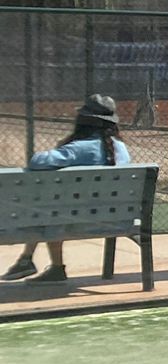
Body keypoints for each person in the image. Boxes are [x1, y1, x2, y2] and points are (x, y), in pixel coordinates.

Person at [4, 94, 133, 287]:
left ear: (83, 120)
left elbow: (36, 162)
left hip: (71, 219)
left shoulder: (76, 149)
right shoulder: (121, 149)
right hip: (115, 218)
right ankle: (27, 260)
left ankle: (39, 262)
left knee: (49, 207)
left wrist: (61, 145)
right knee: (54, 206)